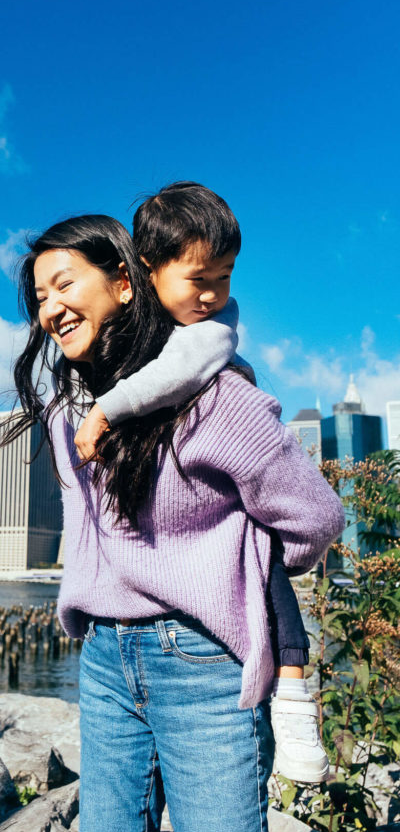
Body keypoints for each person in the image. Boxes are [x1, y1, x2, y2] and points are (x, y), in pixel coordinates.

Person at [7, 215, 345, 832]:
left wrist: (237, 572)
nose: (49, 307)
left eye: (65, 284)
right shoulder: (72, 408)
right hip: (104, 658)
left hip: (201, 665)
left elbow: (316, 519)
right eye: (39, 296)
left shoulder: (216, 398)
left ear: (125, 283)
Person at [72, 182, 326, 783]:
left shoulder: (207, 348)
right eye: (198, 279)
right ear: (147, 270)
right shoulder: (121, 357)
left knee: (258, 563)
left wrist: (235, 560)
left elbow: (316, 517)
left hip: (198, 650)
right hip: (111, 648)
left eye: (225, 276)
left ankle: (293, 708)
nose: (213, 294)